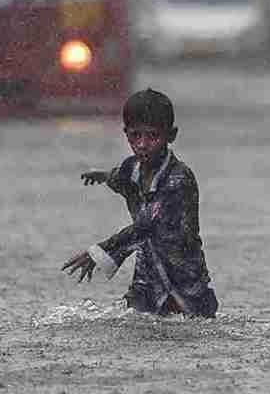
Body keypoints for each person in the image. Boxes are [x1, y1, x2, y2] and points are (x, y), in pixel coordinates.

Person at [62, 88, 219, 318]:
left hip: (184, 279)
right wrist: (103, 176)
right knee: (133, 324)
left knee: (193, 327)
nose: (143, 144)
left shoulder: (179, 179)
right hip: (148, 278)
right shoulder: (131, 167)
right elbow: (119, 178)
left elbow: (146, 226)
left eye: (152, 136)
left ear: (171, 135)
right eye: (135, 136)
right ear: (126, 134)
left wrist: (99, 252)